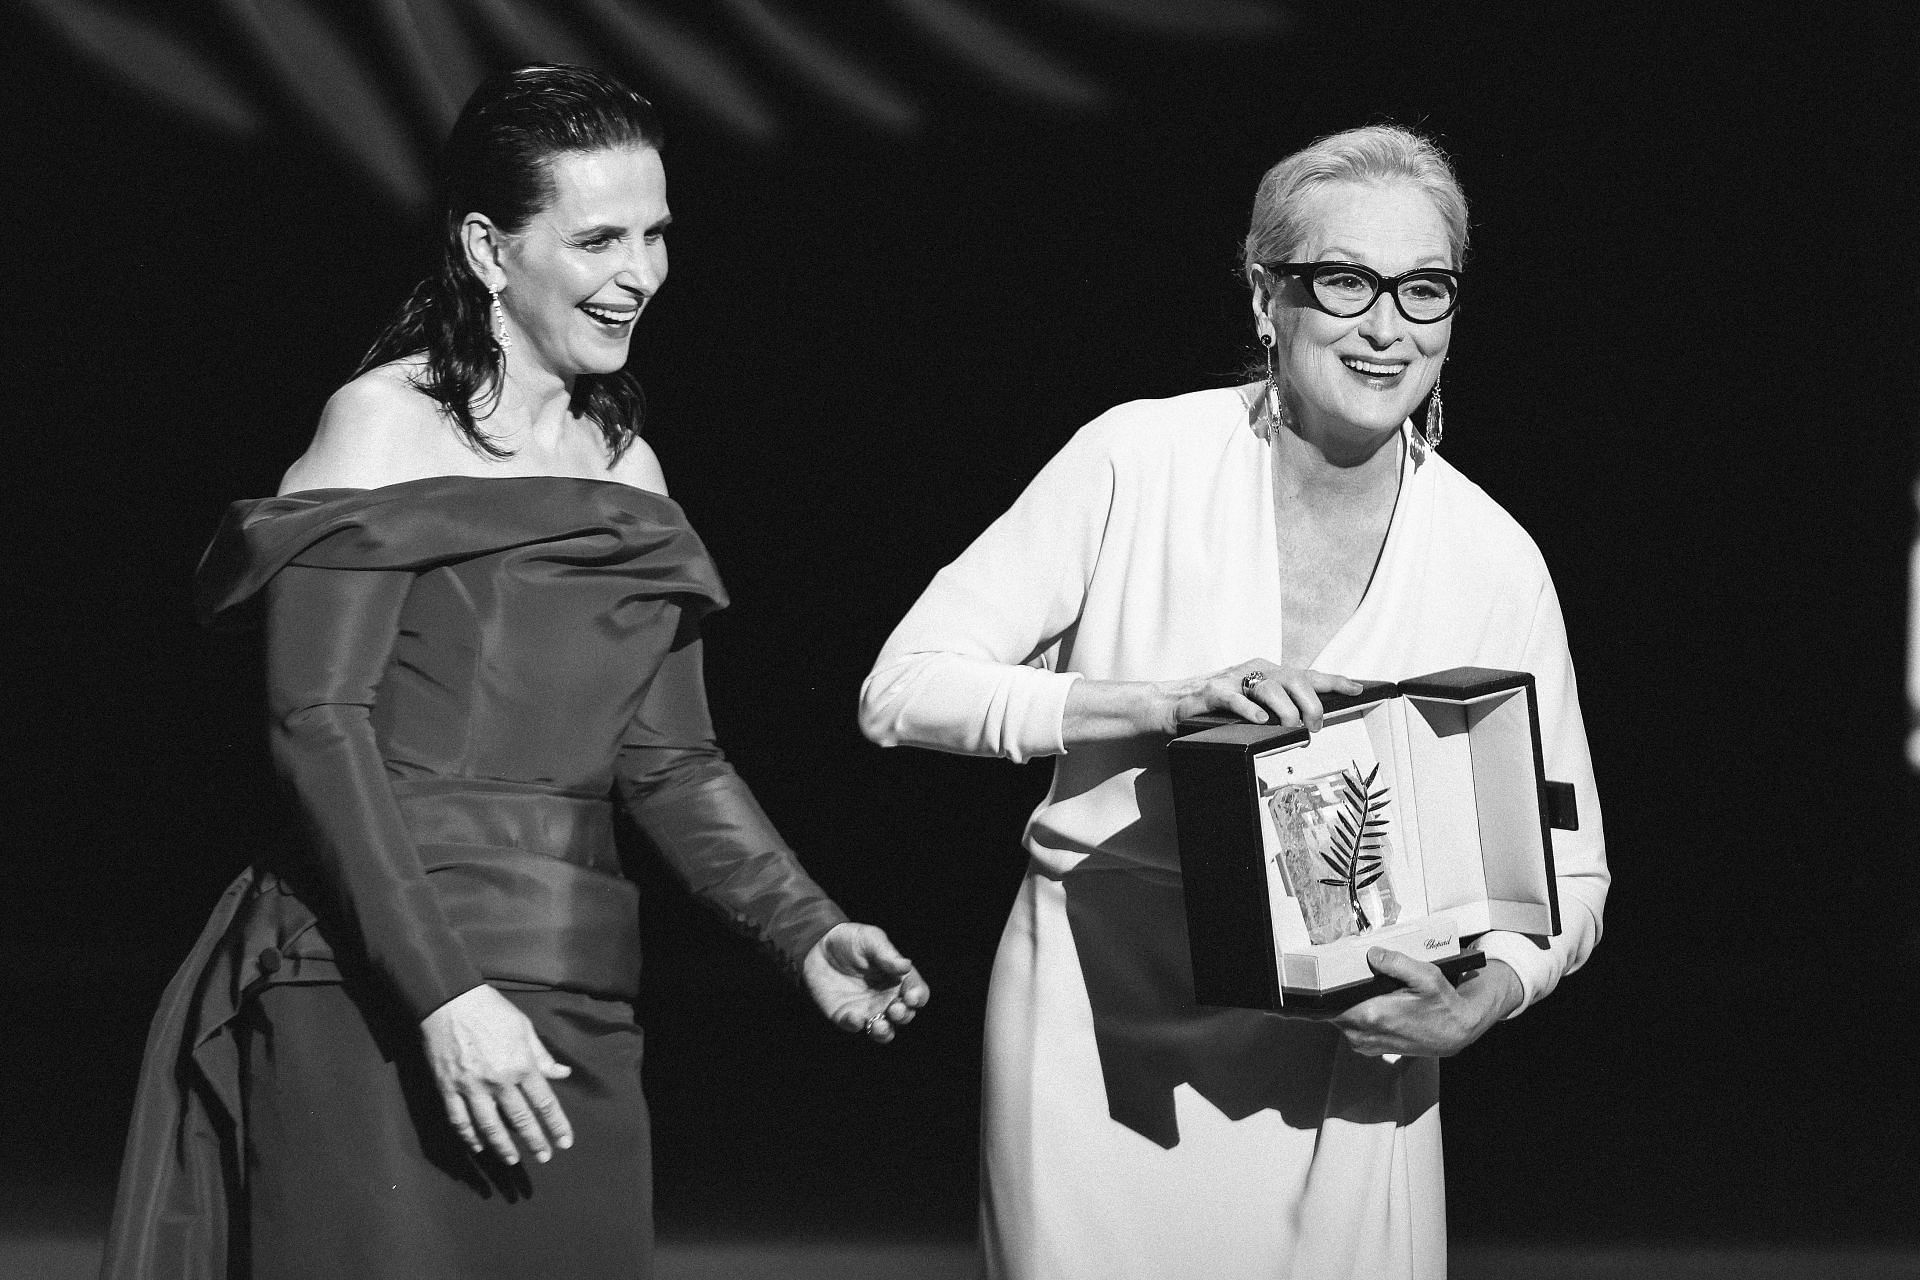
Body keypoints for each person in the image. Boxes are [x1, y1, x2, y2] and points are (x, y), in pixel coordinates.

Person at [101, 64, 927, 1280]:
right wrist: (441, 995)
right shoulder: (383, 425)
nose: (638, 271)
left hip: (572, 987)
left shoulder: (628, 472)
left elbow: (670, 758)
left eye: (653, 234)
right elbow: (315, 727)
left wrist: (803, 928)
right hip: (376, 981)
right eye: (597, 237)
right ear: (490, 249)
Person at [860, 124, 1607, 1280]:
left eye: (1424, 289)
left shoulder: (1491, 556)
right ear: (1268, 296)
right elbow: (903, 691)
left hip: (1350, 1065)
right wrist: (1162, 702)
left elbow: (1569, 871)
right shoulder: (1138, 459)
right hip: (1097, 1027)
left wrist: (1485, 997)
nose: (1387, 324)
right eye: (1345, 280)